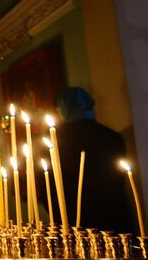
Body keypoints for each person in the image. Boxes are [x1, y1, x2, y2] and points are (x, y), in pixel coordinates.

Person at [54, 86, 134, 234]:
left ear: (61, 110)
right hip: (116, 223)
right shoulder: (113, 137)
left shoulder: (53, 144)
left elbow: (52, 192)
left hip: (75, 226)